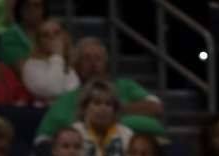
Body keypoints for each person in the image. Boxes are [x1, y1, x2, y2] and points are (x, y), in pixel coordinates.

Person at [35, 36, 165, 142]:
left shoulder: (126, 87)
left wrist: (115, 111)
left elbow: (156, 107)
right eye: (87, 58)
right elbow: (42, 139)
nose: (93, 63)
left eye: (98, 58)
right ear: (76, 66)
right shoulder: (65, 101)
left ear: (106, 64)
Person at [21, 18, 78, 103]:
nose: (52, 37)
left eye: (57, 33)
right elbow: (54, 90)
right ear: (39, 41)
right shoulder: (31, 66)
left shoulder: (69, 65)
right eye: (45, 35)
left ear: (65, 36)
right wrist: (57, 56)